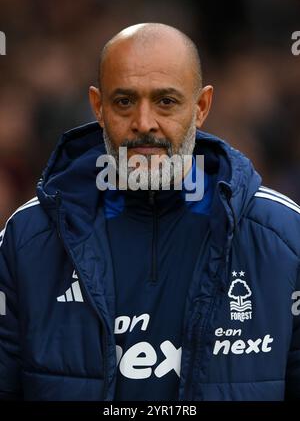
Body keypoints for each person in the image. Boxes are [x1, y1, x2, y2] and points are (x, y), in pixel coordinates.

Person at [0, 23, 300, 401]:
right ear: (98, 107)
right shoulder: (27, 239)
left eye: (166, 101)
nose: (144, 123)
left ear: (201, 106)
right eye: (124, 101)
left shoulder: (284, 237)